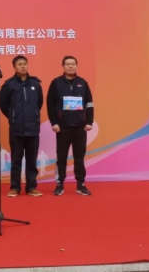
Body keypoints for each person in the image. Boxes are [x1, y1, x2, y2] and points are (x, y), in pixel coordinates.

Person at [46, 55, 94, 196]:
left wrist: (89, 122)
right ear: (63, 66)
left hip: (80, 127)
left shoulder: (82, 83)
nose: (71, 66)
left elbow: (89, 103)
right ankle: (59, 184)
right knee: (61, 157)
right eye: (68, 64)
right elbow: (50, 104)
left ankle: (80, 184)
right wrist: (54, 122)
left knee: (79, 157)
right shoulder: (56, 83)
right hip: (63, 127)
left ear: (76, 66)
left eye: (73, 64)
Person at [0, 55, 44, 197]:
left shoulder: (35, 84)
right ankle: (15, 187)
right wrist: (13, 117)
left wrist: (33, 116)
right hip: (16, 128)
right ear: (14, 67)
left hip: (33, 128)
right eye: (20, 64)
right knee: (16, 160)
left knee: (32, 160)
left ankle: (31, 187)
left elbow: (39, 103)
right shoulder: (9, 85)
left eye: (25, 63)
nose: (23, 66)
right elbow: (3, 104)